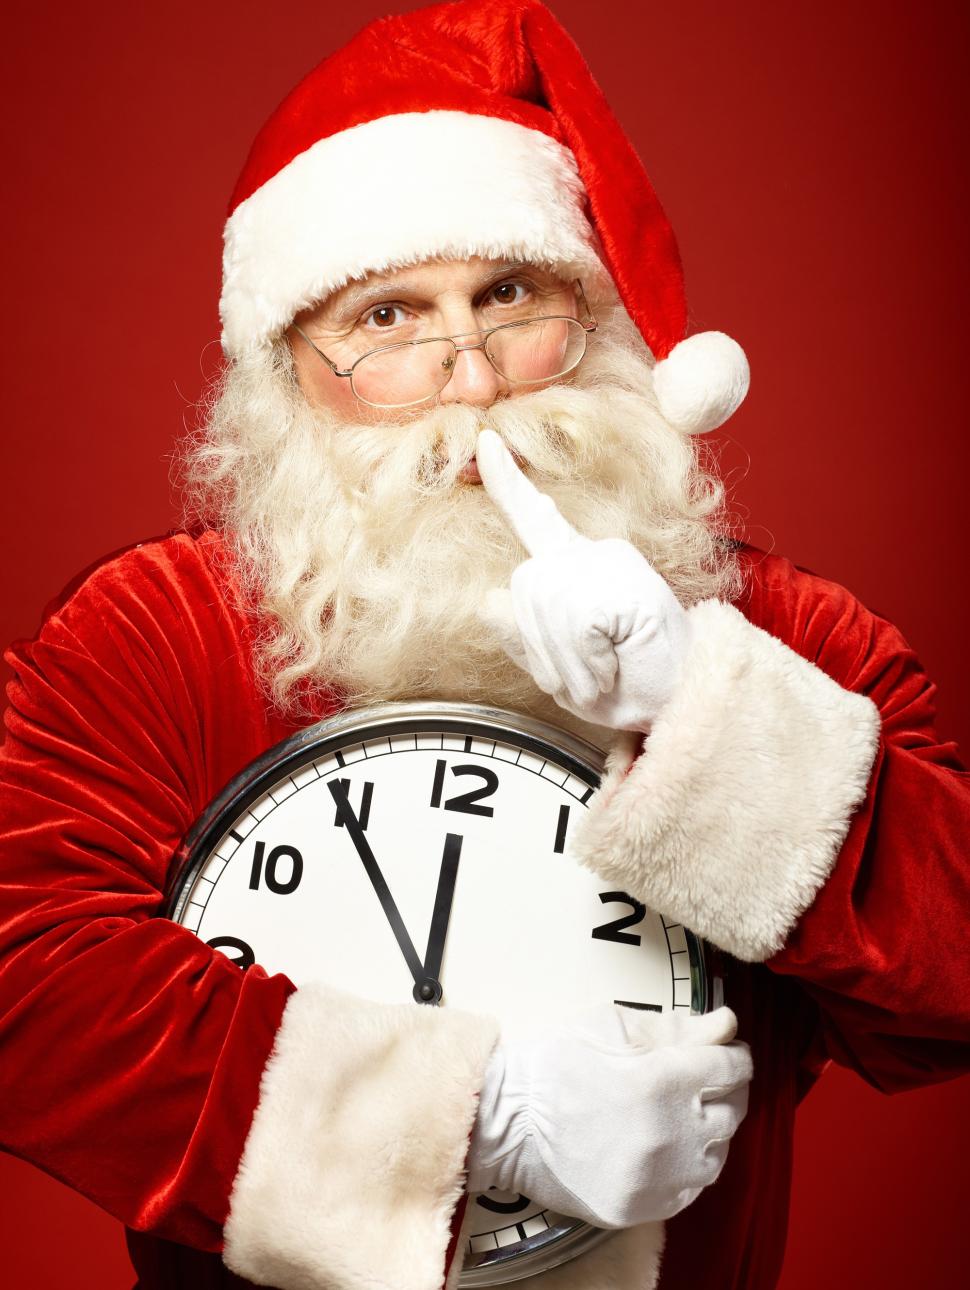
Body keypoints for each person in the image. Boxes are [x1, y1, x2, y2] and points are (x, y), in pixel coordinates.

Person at [0, 2, 966, 1289]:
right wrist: (471, 1113)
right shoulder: (154, 634)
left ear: (596, 321)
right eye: (388, 318)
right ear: (285, 366)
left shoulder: (779, 631)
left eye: (510, 295)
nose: (471, 377)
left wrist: (704, 712)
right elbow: (23, 979)